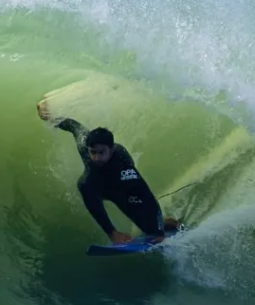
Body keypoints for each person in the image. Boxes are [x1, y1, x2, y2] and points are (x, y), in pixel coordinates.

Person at [37, 101, 179, 244]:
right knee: (84, 185)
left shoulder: (123, 167)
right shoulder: (85, 142)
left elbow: (145, 195)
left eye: (101, 152)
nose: (96, 157)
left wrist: (159, 231)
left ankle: (160, 222)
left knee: (149, 228)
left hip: (121, 186)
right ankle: (113, 233)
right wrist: (48, 116)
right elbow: (72, 125)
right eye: (93, 152)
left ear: (111, 150)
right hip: (98, 184)